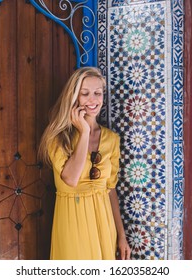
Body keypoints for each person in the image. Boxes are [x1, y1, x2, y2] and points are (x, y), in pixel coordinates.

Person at [38, 67, 131, 260]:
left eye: (98, 93)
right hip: (73, 219)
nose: (93, 100)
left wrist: (121, 235)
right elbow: (70, 178)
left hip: (104, 220)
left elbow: (110, 190)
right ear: (74, 97)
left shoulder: (112, 139)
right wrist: (85, 132)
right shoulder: (58, 137)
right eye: (85, 93)